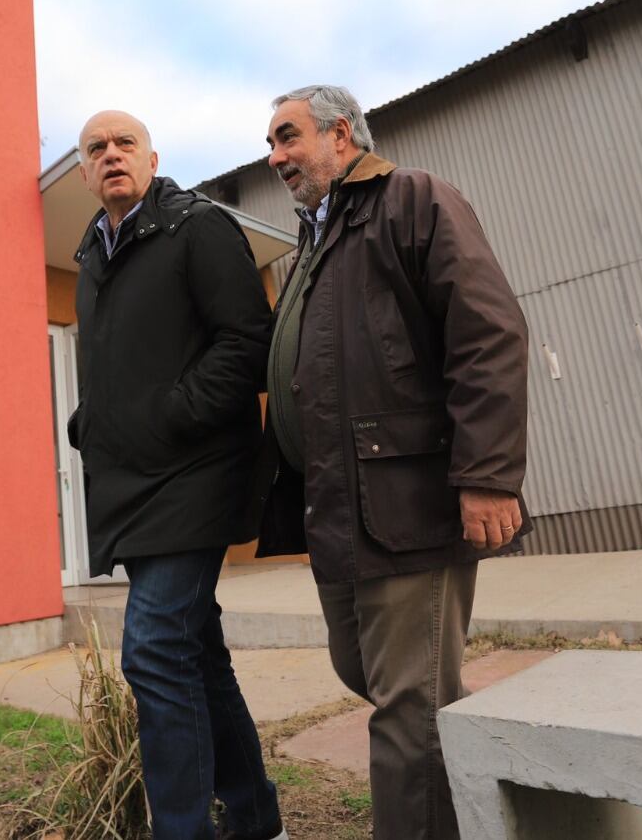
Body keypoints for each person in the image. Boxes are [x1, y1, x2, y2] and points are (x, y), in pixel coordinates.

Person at [257, 84, 530, 838]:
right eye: (271, 143)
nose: (275, 157)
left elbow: (489, 332)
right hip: (337, 508)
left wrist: (488, 475)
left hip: (406, 503)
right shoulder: (314, 242)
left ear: (341, 135)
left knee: (410, 708)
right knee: (370, 674)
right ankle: (487, 791)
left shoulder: (411, 200)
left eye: (288, 137)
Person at [68, 110, 286, 840]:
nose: (111, 155)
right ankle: (257, 820)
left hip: (197, 471)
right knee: (196, 653)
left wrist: (171, 414)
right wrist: (89, 423)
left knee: (156, 649)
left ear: (152, 159)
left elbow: (246, 342)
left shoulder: (196, 226)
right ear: (84, 173)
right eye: (96, 148)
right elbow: (111, 368)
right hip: (132, 483)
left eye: (124, 143)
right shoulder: (91, 258)